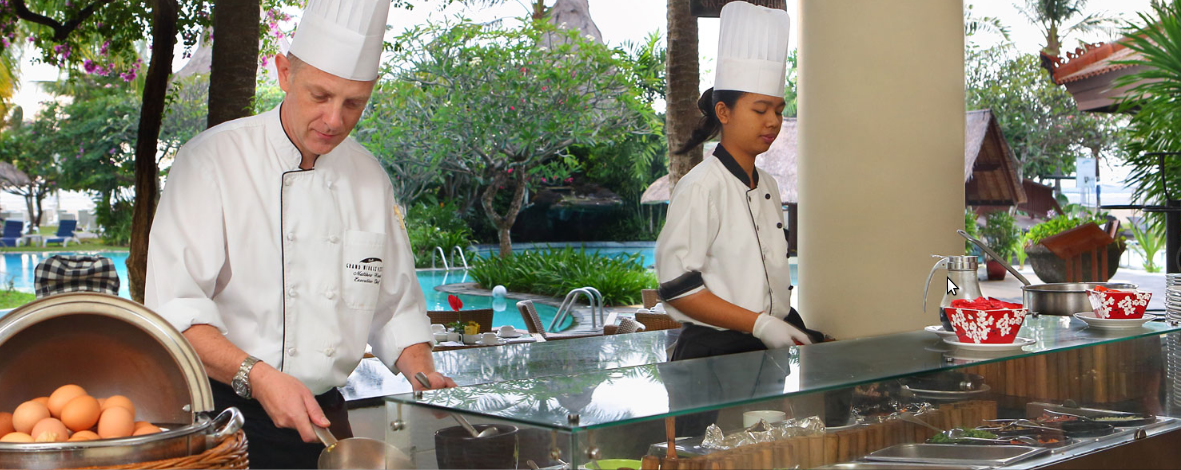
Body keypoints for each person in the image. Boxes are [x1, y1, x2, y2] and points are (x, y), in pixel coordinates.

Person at [145, 1, 455, 467]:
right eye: (320, 96)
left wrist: (422, 370)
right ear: (285, 73)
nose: (334, 120)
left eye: (353, 103)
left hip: (322, 416)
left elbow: (395, 306)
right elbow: (175, 312)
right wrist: (260, 378)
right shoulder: (211, 162)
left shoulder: (369, 177)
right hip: (223, 418)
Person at [656, 1, 824, 364]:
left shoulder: (769, 185)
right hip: (711, 359)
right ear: (724, 112)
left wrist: (780, 326)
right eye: (760, 110)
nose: (773, 122)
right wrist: (759, 323)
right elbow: (675, 287)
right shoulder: (702, 187)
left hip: (765, 356)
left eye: (778, 110)